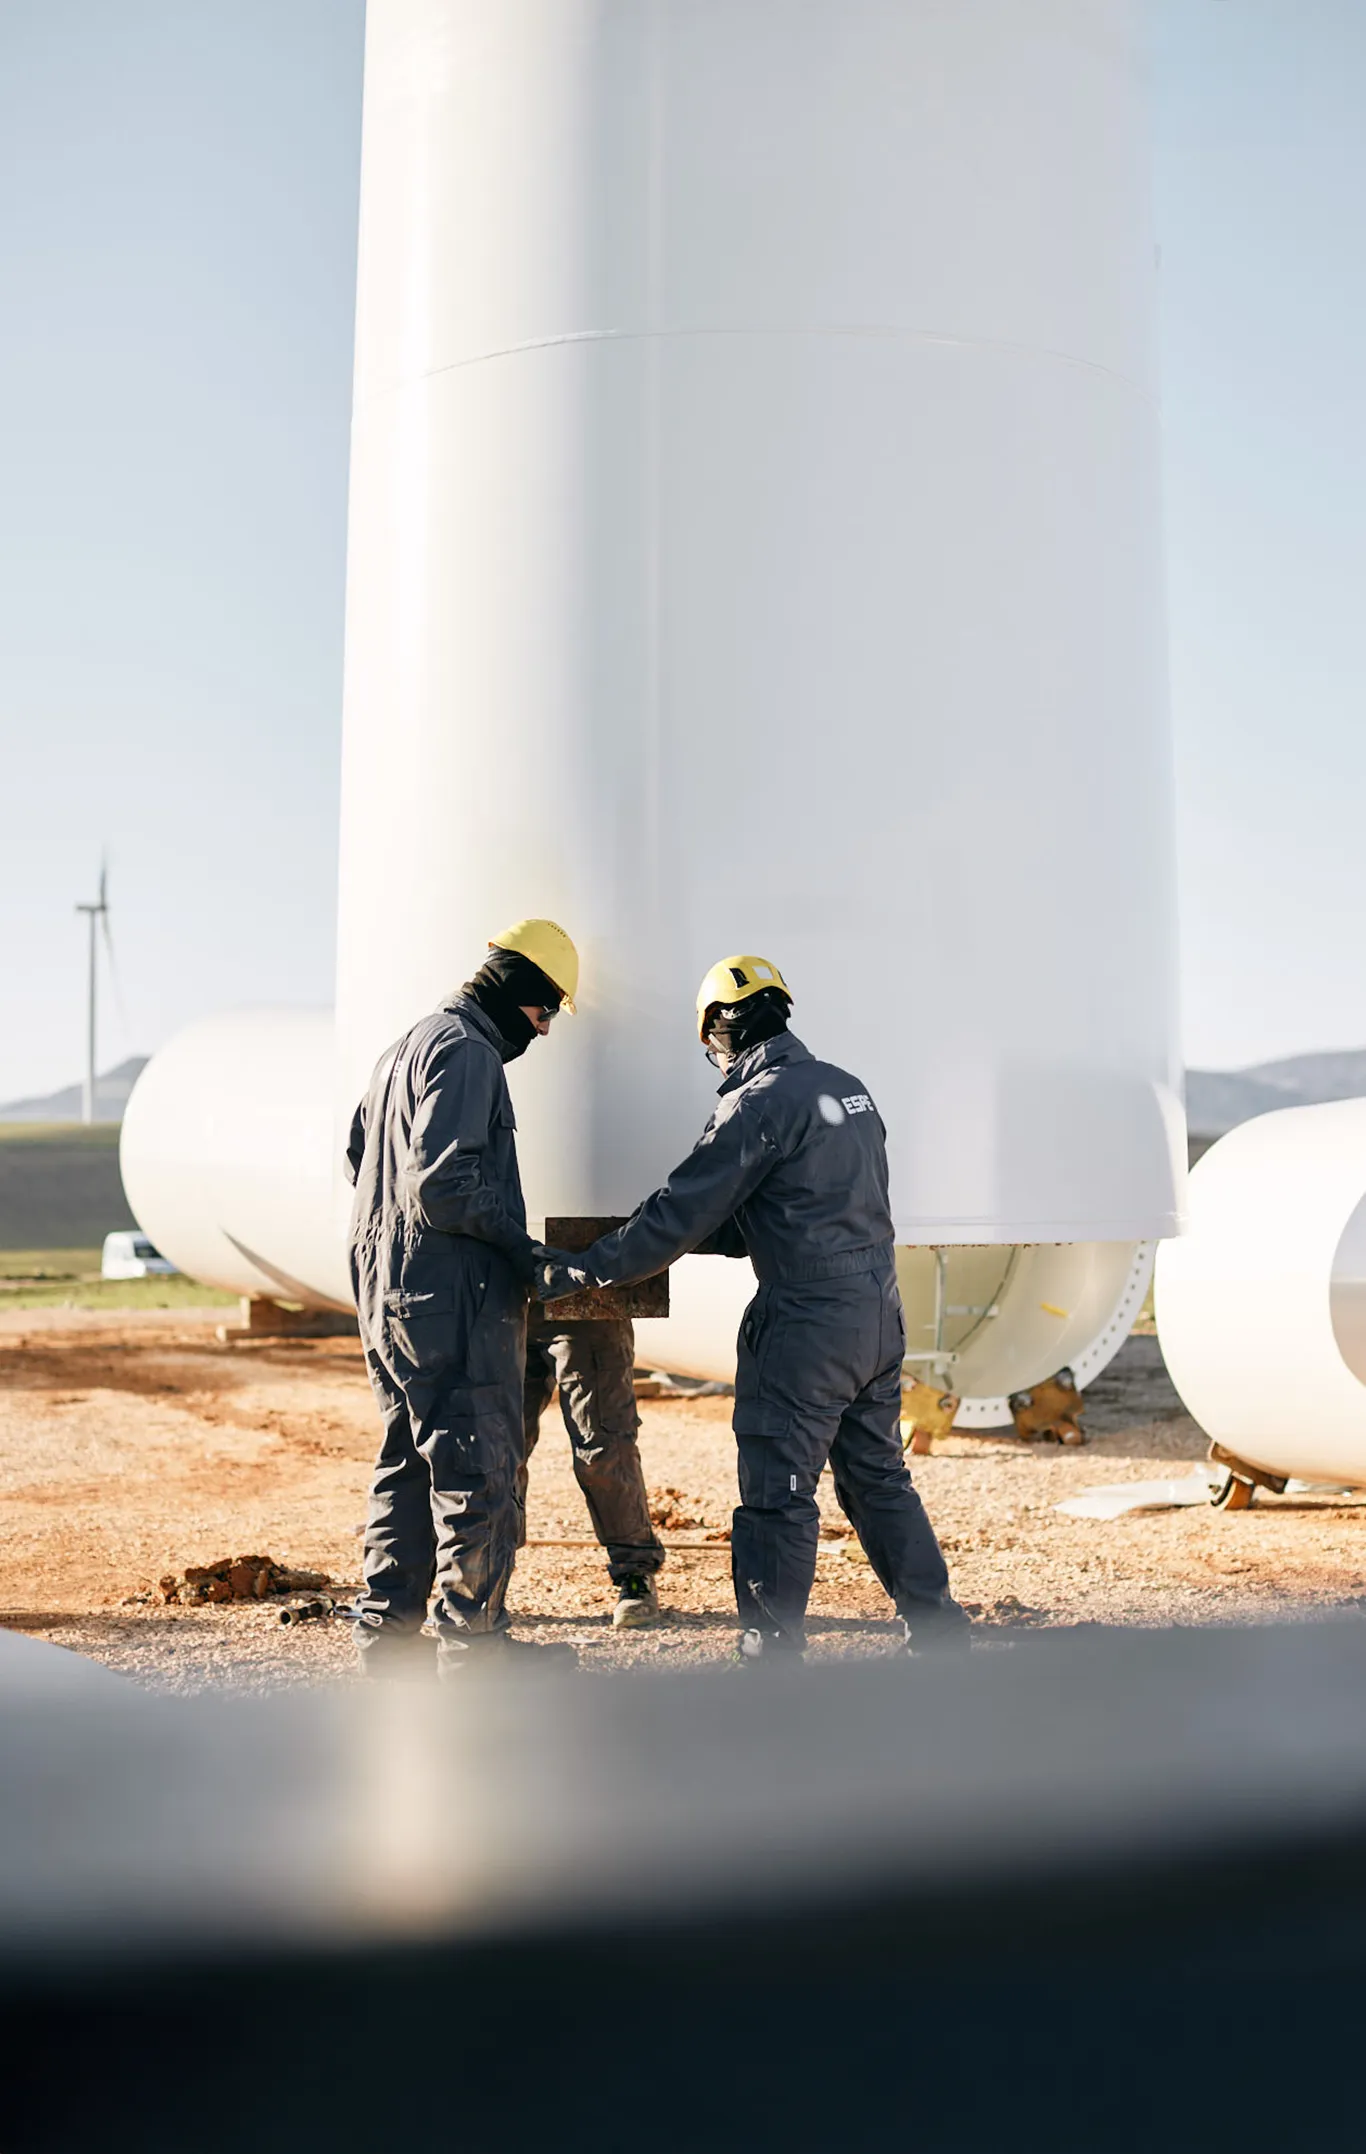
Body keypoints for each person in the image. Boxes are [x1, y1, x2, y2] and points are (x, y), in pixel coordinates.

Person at [535, 955, 969, 1660]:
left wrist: (591, 1266)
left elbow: (679, 1210)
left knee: (778, 1495)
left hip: (804, 1329)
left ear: (718, 1029)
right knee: (879, 1478)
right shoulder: (848, 1091)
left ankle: (769, 1659)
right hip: (878, 1315)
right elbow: (795, 1206)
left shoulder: (756, 1103)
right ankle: (941, 1632)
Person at [345, 917, 580, 1674]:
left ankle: (388, 1644)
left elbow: (360, 1152)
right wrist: (523, 1248)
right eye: (545, 1013)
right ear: (521, 996)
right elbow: (445, 1182)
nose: (543, 1032)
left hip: (388, 1290)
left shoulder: (404, 1047)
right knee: (476, 1463)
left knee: (405, 1461)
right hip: (450, 1295)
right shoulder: (470, 1051)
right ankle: (474, 1652)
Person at [521, 1317, 666, 1627]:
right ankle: (484, 1581)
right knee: (494, 1453)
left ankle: (635, 1573)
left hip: (582, 1304)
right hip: (500, 1304)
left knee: (602, 1453)